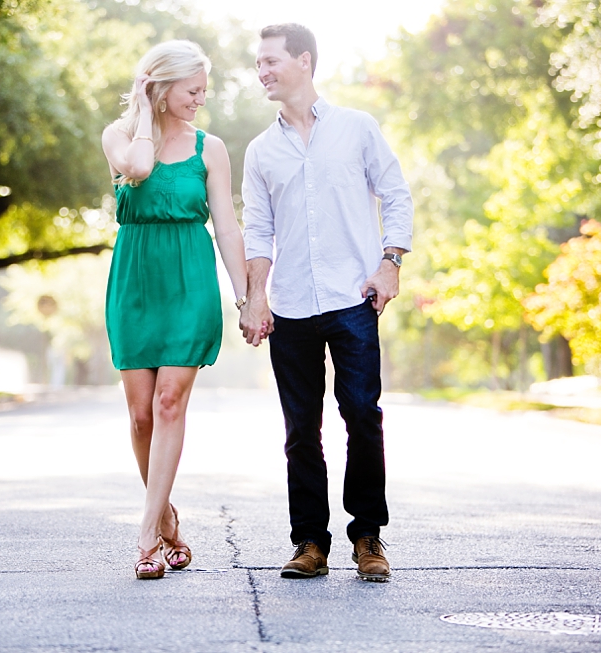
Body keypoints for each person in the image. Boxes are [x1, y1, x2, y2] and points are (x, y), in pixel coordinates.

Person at [239, 24, 413, 582]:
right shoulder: (261, 150)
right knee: (299, 428)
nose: (261, 71)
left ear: (304, 60)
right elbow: (258, 230)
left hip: (351, 298)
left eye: (270, 61)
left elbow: (395, 192)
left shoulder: (357, 128)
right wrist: (254, 299)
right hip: (290, 306)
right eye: (258, 63)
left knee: (362, 415)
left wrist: (391, 262)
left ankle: (368, 537)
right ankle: (310, 542)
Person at [102, 40, 249, 580]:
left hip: (190, 278)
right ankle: (164, 516)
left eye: (203, 91)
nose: (200, 101)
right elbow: (138, 168)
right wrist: (143, 111)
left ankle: (146, 538)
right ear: (159, 87)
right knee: (140, 414)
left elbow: (227, 227)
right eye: (191, 90)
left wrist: (246, 295)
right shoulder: (119, 136)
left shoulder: (210, 149)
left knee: (168, 403)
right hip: (136, 280)